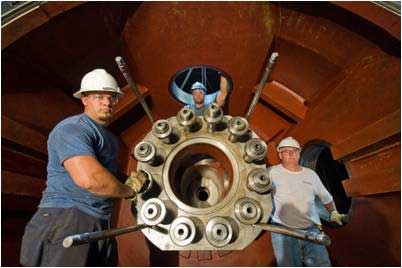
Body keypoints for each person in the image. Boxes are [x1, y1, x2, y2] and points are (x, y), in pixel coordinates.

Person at [20, 69, 147, 266]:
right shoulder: (72, 129)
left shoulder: (109, 138)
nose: (107, 102)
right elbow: (91, 180)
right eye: (99, 97)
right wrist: (129, 190)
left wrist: (129, 179)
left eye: (111, 97)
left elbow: (106, 174)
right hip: (67, 218)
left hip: (99, 223)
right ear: (84, 99)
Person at [268, 136, 346, 267]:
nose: (291, 154)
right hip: (283, 232)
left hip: (311, 230)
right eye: (286, 151)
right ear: (280, 155)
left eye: (294, 151)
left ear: (299, 153)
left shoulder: (310, 174)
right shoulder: (271, 172)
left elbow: (326, 197)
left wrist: (333, 212)